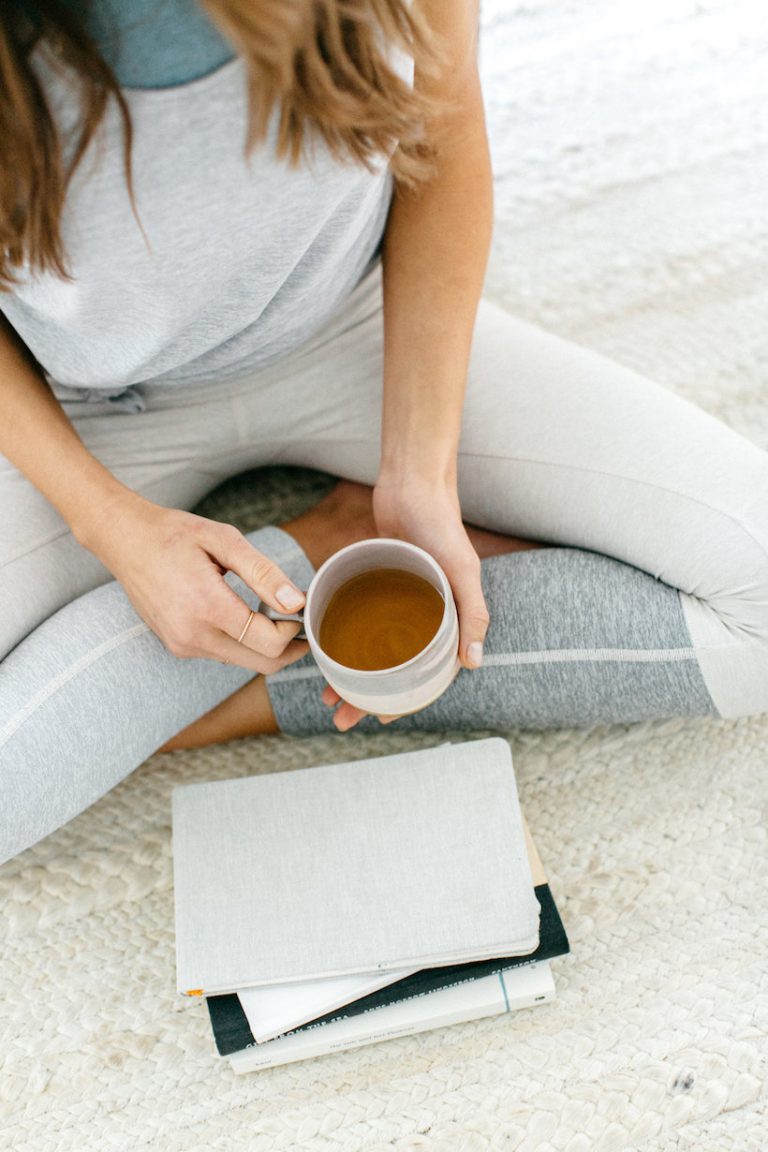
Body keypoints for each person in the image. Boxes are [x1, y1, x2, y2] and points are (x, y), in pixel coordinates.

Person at [1, 0, 766, 866]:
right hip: (76, 401)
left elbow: (444, 127)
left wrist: (421, 470)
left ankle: (245, 687)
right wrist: (110, 523)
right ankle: (324, 545)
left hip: (359, 322)